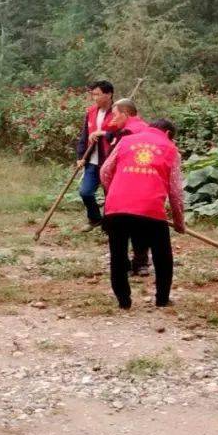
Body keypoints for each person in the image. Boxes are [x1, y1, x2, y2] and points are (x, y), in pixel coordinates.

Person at [99, 118, 184, 309]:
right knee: (162, 255)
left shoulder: (125, 141)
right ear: (169, 134)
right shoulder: (171, 149)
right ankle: (162, 300)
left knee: (118, 254)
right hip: (150, 208)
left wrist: (114, 191)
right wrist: (179, 222)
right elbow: (176, 191)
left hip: (117, 207)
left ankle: (124, 301)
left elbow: (105, 171)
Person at [106, 97, 152, 274]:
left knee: (120, 228)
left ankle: (123, 265)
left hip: (125, 186)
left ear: (125, 114)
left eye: (115, 115)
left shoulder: (126, 135)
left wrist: (110, 188)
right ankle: (141, 263)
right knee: (142, 224)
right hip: (148, 186)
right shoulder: (149, 129)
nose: (112, 120)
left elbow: (109, 166)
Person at [75, 81, 118, 231]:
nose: (94, 98)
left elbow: (123, 135)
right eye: (93, 94)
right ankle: (95, 219)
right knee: (85, 192)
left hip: (110, 161)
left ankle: (110, 224)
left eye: (97, 94)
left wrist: (104, 133)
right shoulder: (91, 112)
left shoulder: (118, 113)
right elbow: (84, 136)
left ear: (108, 94)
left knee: (111, 196)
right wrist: (80, 157)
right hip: (92, 161)